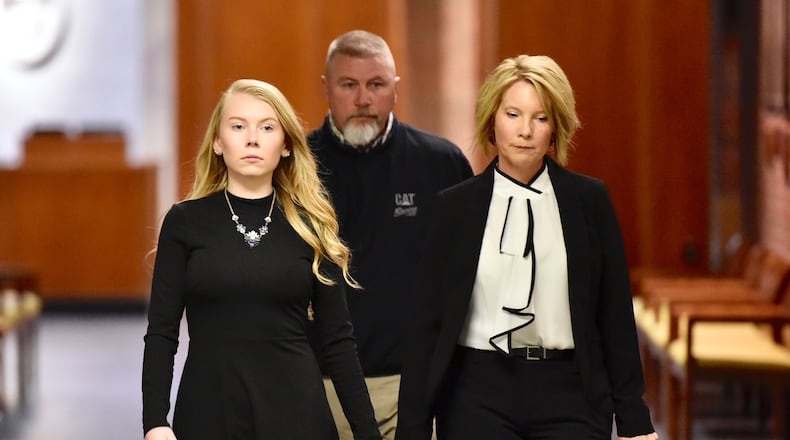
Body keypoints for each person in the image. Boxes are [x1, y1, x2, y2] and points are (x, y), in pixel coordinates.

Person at [395, 55, 659, 440]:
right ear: (492, 120)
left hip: (571, 394)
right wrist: (412, 430)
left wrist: (635, 420)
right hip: (476, 393)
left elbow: (615, 314)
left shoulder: (589, 201)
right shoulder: (454, 208)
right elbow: (426, 329)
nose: (525, 131)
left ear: (556, 128)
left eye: (540, 117)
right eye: (513, 114)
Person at [142, 79, 381, 440]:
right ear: (218, 142)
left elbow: (337, 341)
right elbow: (162, 332)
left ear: (285, 145)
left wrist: (368, 433)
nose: (252, 138)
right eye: (238, 126)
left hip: (297, 414)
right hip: (209, 411)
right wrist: (155, 422)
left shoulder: (310, 224)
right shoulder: (185, 222)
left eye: (267, 127)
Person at [307, 30, 473, 440]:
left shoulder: (441, 164)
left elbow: (469, 277)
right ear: (327, 88)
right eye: (349, 85)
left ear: (395, 90)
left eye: (376, 85)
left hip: (414, 388)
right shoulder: (296, 168)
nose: (363, 99)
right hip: (319, 388)